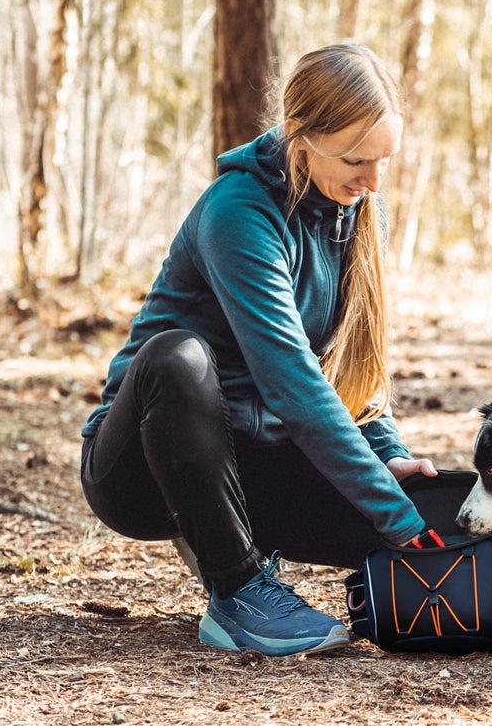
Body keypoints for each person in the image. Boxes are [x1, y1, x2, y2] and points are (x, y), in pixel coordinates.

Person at [80, 43, 442, 658]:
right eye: (357, 159)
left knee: (445, 510)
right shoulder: (238, 212)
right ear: (302, 135)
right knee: (178, 359)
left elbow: (358, 373)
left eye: (385, 161)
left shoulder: (359, 209)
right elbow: (294, 385)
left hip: (256, 463)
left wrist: (392, 464)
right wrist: (396, 520)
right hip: (145, 463)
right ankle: (238, 588)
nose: (374, 181)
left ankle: (234, 534)